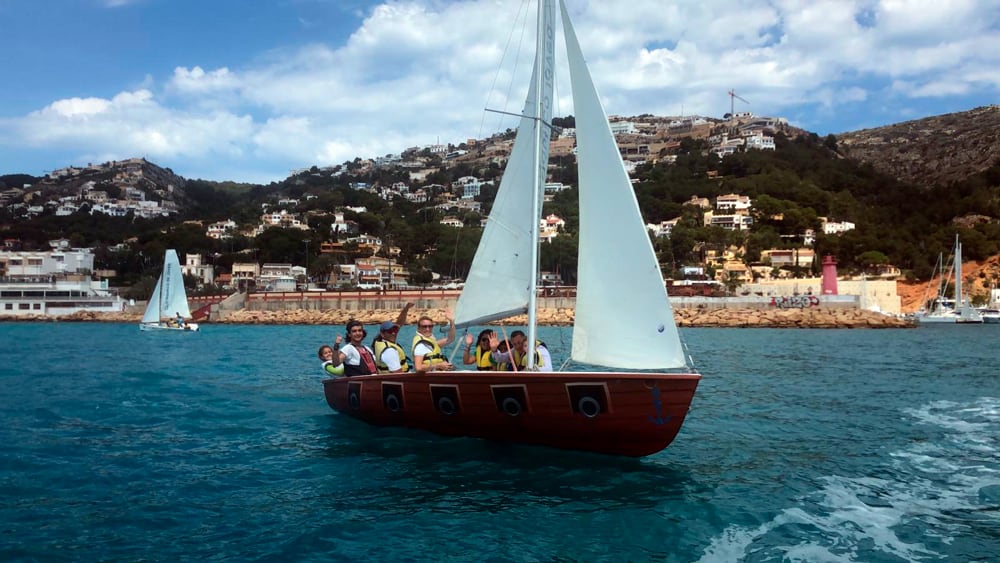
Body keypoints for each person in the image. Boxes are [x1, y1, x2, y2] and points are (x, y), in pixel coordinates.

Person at [372, 302, 414, 374]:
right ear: (382, 334)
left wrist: (406, 309)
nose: (393, 333)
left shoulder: (381, 342)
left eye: (395, 330)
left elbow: (399, 322)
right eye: (390, 331)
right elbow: (398, 374)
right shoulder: (389, 351)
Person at [488, 330, 553, 372]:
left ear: (524, 339)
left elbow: (548, 369)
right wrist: (494, 349)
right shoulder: (515, 350)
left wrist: (530, 371)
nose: (517, 347)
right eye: (514, 344)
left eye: (519, 343)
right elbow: (500, 358)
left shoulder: (540, 350)